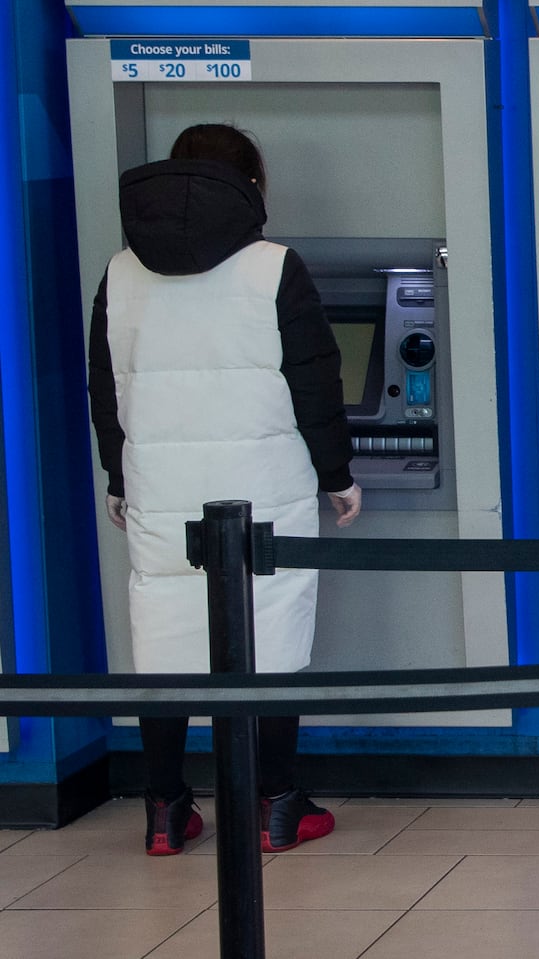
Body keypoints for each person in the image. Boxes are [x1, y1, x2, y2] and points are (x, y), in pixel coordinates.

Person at [87, 123, 363, 856]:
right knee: (270, 639)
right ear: (251, 187)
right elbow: (315, 381)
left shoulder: (121, 274)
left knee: (165, 642)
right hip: (261, 489)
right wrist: (338, 474)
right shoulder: (275, 268)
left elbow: (108, 391)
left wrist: (120, 475)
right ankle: (277, 803)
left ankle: (166, 809)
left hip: (162, 490)